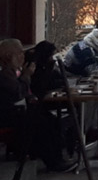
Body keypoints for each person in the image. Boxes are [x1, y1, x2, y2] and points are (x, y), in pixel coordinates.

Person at [0, 39, 76, 172]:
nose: (22, 57)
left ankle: (58, 159)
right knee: (41, 124)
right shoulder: (5, 74)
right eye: (18, 54)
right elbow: (17, 92)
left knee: (50, 120)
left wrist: (31, 96)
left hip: (17, 110)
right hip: (8, 114)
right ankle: (53, 162)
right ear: (8, 56)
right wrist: (27, 75)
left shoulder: (13, 71)